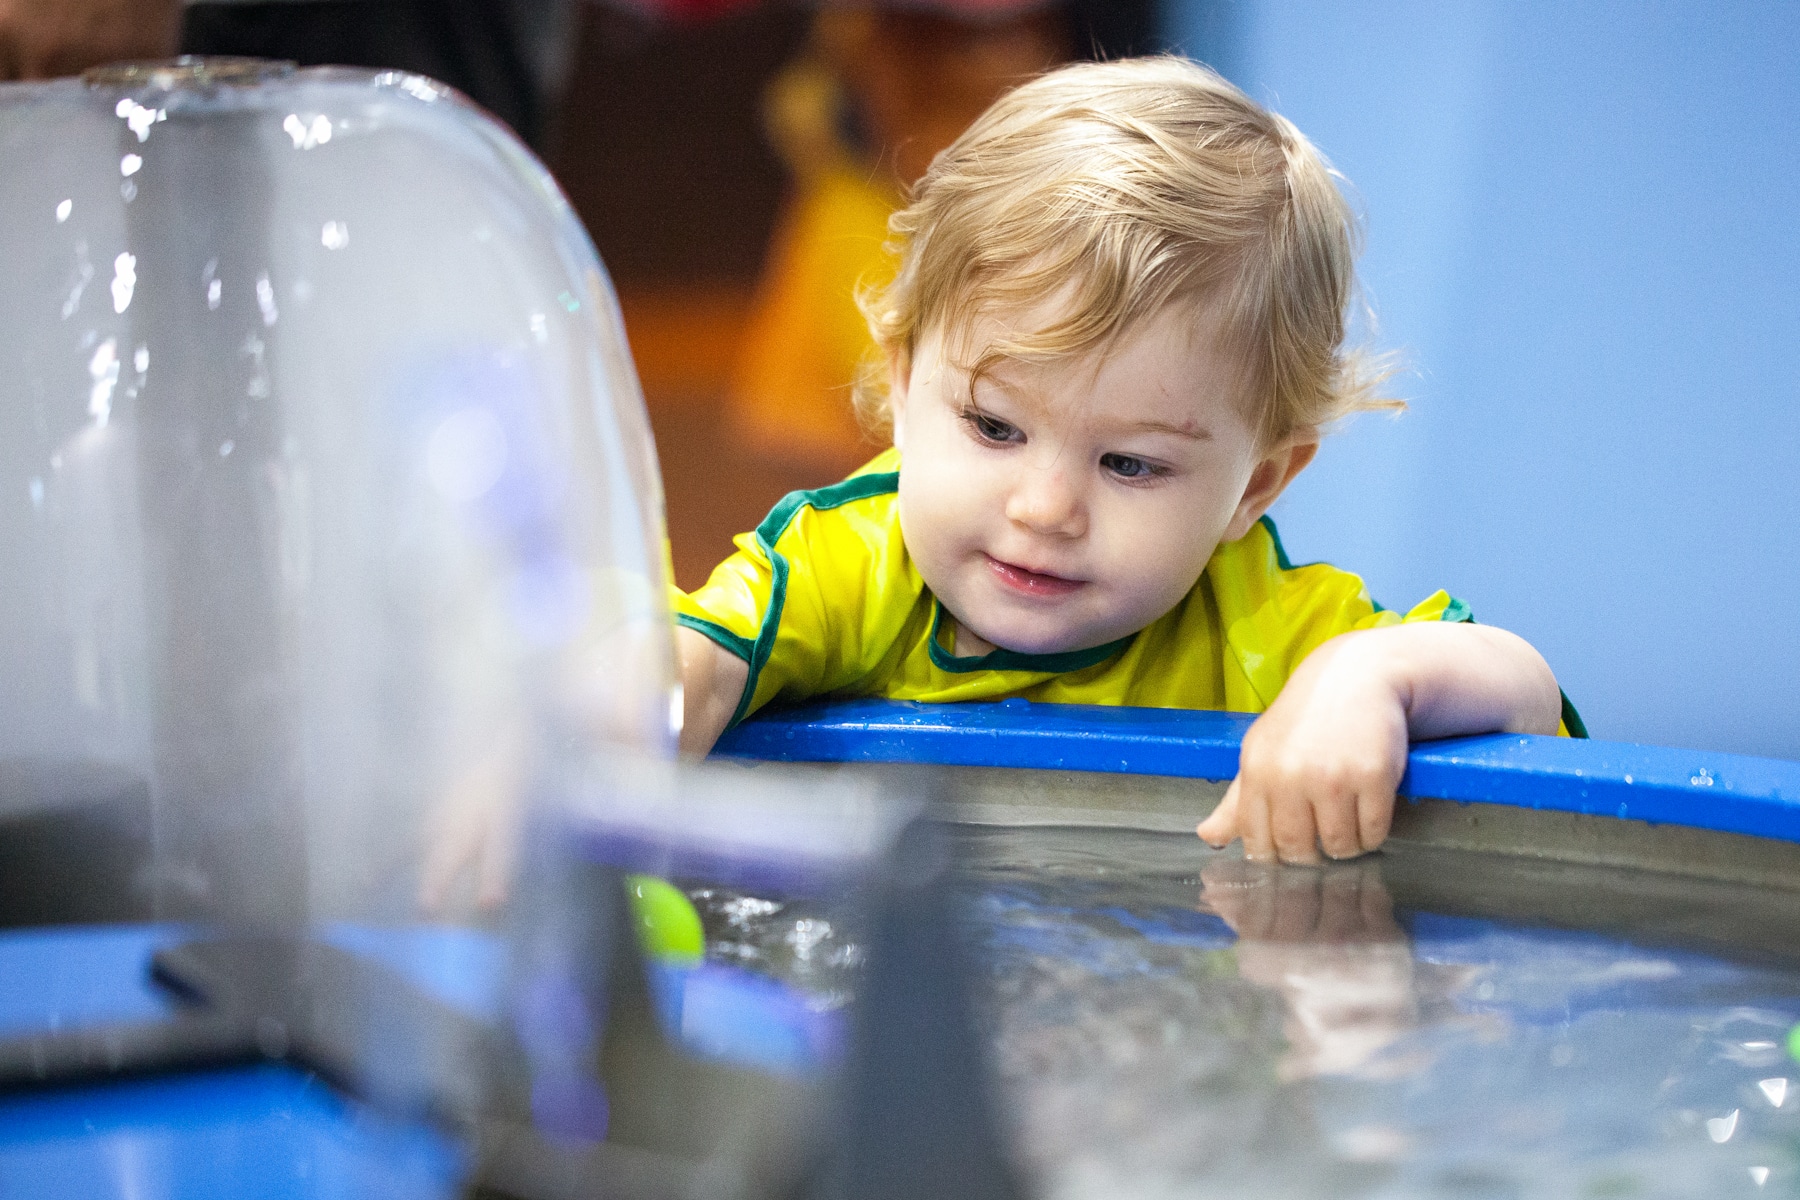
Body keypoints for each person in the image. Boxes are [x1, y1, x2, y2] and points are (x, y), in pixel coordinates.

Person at [674, 56, 1578, 865]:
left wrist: (1369, 681)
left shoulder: (1257, 628)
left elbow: (1530, 697)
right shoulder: (849, 567)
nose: (1044, 509)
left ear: (1257, 484)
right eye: (995, 428)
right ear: (905, 388)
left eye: (1130, 465)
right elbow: (691, 670)